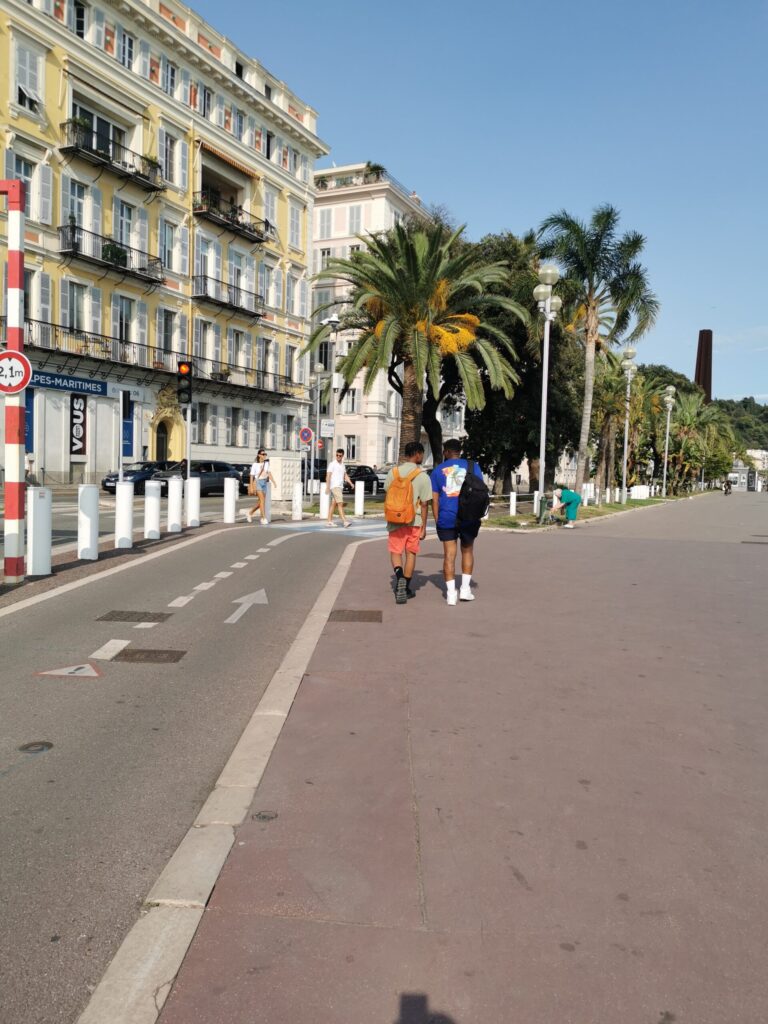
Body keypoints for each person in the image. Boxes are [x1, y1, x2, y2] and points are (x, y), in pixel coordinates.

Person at [431, 439, 484, 606]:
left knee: (449, 555)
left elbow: (435, 499)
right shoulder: (473, 466)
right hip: (469, 516)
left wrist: (437, 518)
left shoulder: (438, 471)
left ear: (446, 452)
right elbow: (481, 490)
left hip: (446, 516)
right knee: (467, 551)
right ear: (459, 451)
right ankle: (465, 590)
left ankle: (451, 594)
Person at [384, 441, 432, 604]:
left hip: (395, 519)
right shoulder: (423, 476)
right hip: (414, 520)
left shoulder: (393, 472)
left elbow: (387, 492)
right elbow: (425, 503)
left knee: (396, 551)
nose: (422, 456)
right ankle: (406, 587)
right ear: (417, 454)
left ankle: (399, 576)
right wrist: (424, 526)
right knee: (410, 553)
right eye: (422, 453)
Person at [245, 449, 275, 524]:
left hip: (264, 482)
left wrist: (274, 482)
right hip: (258, 482)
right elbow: (251, 476)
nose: (264, 455)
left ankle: (250, 513)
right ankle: (263, 518)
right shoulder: (255, 465)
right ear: (259, 455)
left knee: (261, 502)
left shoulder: (267, 463)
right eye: (263, 454)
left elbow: (269, 473)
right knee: (262, 500)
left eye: (265, 454)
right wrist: (251, 486)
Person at [326, 448, 353, 527]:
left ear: (342, 456)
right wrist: (328, 487)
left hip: (340, 487)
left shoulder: (342, 465)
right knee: (340, 504)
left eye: (340, 455)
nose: (338, 457)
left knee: (334, 504)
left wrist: (351, 483)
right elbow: (328, 476)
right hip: (335, 486)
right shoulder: (332, 464)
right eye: (337, 455)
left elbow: (345, 475)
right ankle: (345, 521)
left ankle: (329, 521)